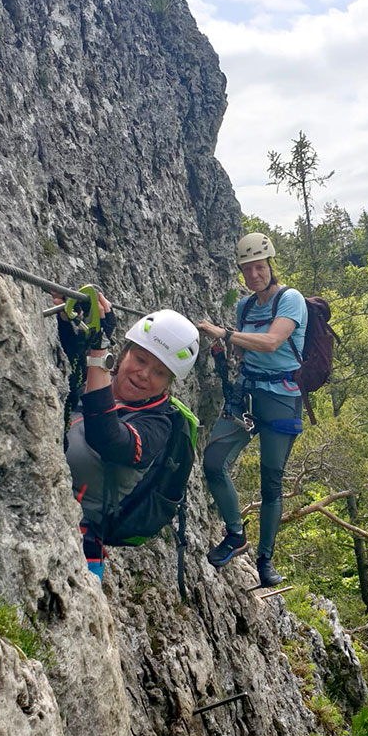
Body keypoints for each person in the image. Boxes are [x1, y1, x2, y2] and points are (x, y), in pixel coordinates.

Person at [55, 291, 199, 580]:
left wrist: (99, 351)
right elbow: (70, 358)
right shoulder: (98, 378)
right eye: (140, 358)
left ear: (168, 384)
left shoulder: (157, 426)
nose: (144, 374)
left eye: (159, 372)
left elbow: (107, 438)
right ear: (123, 354)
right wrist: (69, 315)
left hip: (80, 553)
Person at [197, 233, 307, 587]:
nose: (254, 275)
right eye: (247, 269)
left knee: (270, 480)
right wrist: (224, 350)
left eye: (259, 267)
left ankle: (265, 560)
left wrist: (225, 334)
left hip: (279, 398)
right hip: (247, 395)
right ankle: (235, 534)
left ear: (271, 266)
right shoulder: (245, 307)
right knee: (214, 461)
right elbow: (247, 348)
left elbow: (273, 340)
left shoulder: (291, 300)